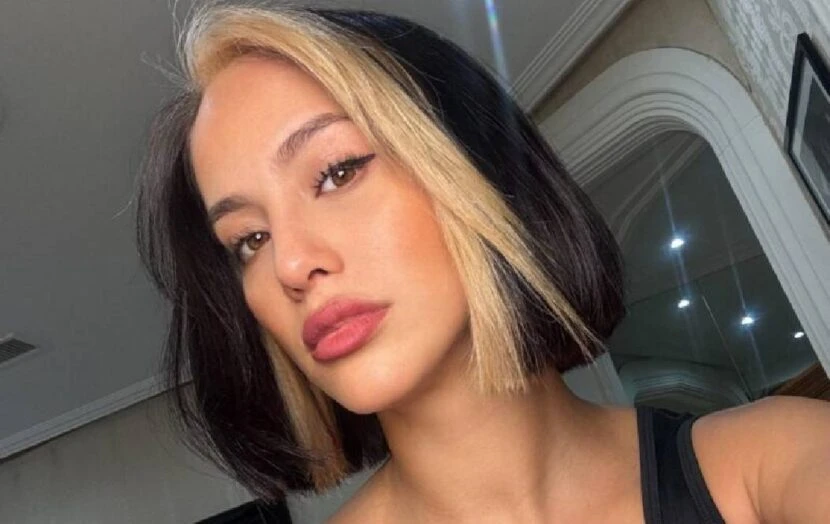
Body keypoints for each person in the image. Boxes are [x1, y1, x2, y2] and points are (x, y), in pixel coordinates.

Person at [136, 5, 830, 523]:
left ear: (475, 171)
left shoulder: (768, 466)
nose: (290, 263)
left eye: (337, 172)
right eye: (249, 240)